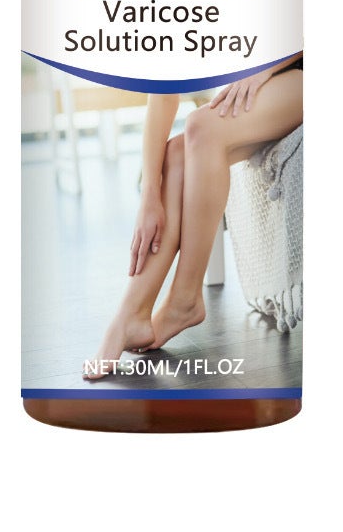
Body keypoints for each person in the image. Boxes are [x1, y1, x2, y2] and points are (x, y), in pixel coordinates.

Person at [85, 56, 303, 377]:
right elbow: (163, 92)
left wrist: (263, 70)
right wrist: (149, 196)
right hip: (268, 85)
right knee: (177, 154)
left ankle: (184, 298)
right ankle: (131, 314)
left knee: (201, 125)